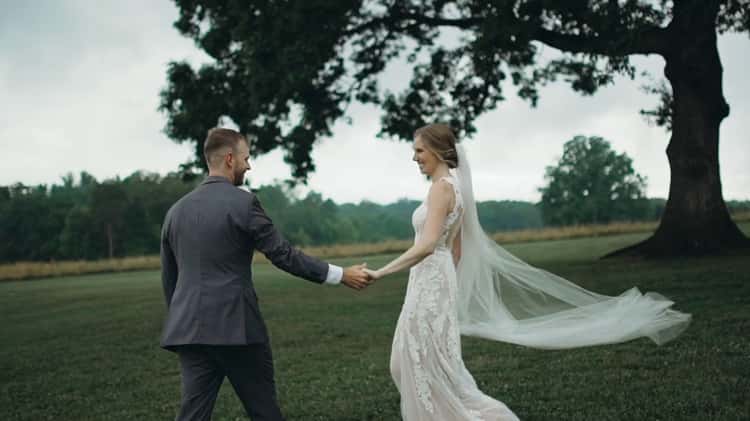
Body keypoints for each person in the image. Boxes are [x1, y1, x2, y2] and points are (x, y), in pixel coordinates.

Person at [364, 123, 691, 420]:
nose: (415, 158)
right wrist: (447, 283)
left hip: (431, 279)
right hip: (433, 278)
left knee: (417, 364)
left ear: (436, 150)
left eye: (419, 150)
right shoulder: (451, 187)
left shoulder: (442, 189)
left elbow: (427, 245)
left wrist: (381, 272)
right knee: (415, 363)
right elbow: (457, 249)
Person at [159, 128, 371, 421]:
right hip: (237, 328)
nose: (249, 165)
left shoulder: (175, 212)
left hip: (189, 331)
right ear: (230, 159)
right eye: (246, 158)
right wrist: (341, 274)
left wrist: (182, 315)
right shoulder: (244, 203)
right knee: (264, 412)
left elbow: (170, 279)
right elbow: (283, 254)